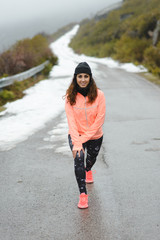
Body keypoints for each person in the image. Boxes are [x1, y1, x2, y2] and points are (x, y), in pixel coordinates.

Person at [65, 62, 106, 209]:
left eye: (86, 76)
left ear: (90, 77)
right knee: (78, 159)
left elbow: (99, 120)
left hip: (95, 135)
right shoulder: (70, 97)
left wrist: (83, 139)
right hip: (76, 136)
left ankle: (89, 170)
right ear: (75, 78)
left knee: (90, 160)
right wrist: (77, 142)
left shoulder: (99, 95)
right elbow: (71, 122)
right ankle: (83, 195)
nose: (83, 79)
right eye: (80, 76)